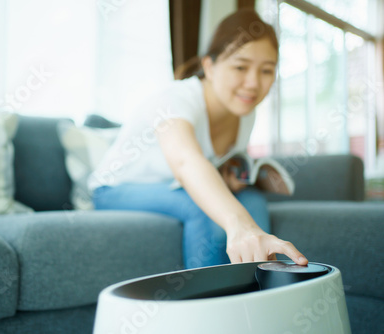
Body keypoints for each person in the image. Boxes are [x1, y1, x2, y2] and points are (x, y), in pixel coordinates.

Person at [88, 9, 308, 269]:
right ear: (209, 66)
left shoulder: (244, 112)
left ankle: (256, 292)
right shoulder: (176, 99)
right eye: (240, 67)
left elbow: (210, 165)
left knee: (253, 201)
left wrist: (227, 178)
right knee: (199, 206)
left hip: (172, 188)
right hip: (115, 188)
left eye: (266, 71)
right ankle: (208, 305)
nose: (253, 83)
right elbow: (185, 162)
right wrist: (240, 225)